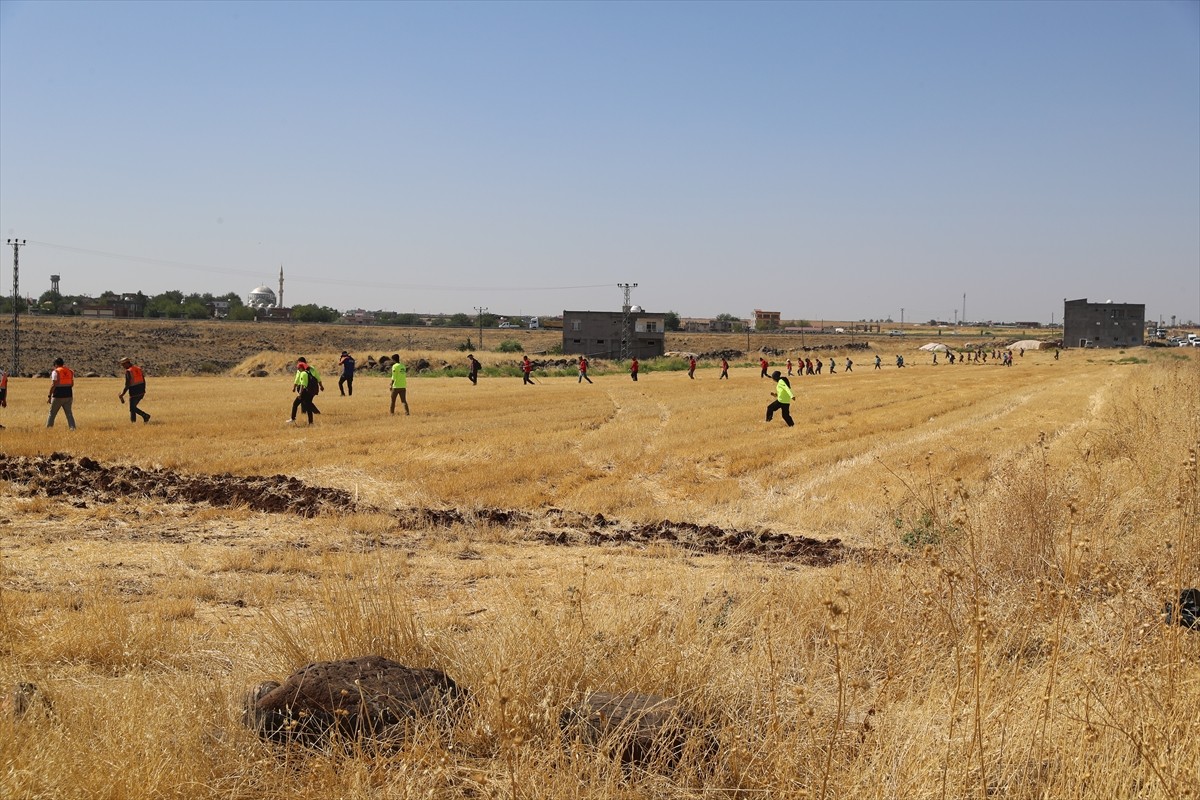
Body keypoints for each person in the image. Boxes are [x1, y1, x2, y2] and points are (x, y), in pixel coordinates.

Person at [117, 356, 151, 424]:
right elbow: (144, 380)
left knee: (132, 408)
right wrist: (144, 390)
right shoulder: (138, 369)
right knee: (133, 408)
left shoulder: (129, 371)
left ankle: (145, 416)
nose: (123, 366)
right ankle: (133, 423)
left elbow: (127, 384)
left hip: (134, 392)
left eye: (123, 364)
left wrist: (122, 394)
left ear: (127, 363)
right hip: (141, 391)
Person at [288, 358, 322, 425]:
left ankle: (292, 418)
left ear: (301, 367)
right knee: (309, 406)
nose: (298, 369)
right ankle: (311, 422)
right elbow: (317, 377)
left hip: (304, 392)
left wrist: (300, 394)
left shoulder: (303, 373)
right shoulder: (309, 371)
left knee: (295, 404)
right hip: (310, 392)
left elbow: (303, 385)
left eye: (299, 368)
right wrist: (321, 385)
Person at [46, 357, 76, 430]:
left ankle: (49, 429)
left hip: (58, 396)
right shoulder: (70, 371)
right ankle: (72, 428)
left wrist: (49, 396)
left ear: (55, 364)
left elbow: (53, 385)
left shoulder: (56, 372)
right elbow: (72, 384)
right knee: (69, 414)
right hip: (69, 395)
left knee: (52, 413)